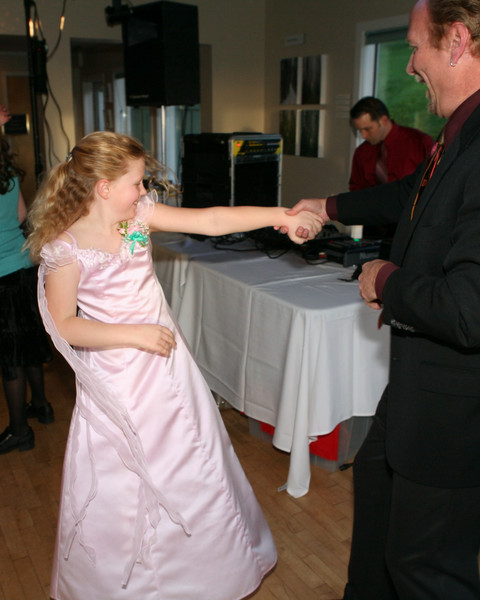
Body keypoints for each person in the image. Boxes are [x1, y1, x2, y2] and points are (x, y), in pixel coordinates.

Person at [25, 130, 322, 600]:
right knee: (126, 483)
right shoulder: (67, 248)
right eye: (137, 183)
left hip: (168, 368)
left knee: (194, 463)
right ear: (103, 187)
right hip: (120, 379)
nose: (144, 193)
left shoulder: (137, 219)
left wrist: (280, 216)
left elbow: (212, 219)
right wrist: (135, 333)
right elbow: (64, 325)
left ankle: (208, 572)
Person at [286, 1, 480, 598]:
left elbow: (468, 310)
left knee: (424, 565)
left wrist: (385, 281)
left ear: (455, 40)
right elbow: (408, 197)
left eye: (416, 47)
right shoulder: (460, 132)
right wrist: (327, 207)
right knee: (375, 491)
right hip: (417, 389)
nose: (411, 63)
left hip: (454, 411)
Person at [0, 108, 53, 455]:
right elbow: (21, 215)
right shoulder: (6, 171)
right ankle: (42, 406)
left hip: (1, 277)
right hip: (22, 267)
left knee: (10, 357)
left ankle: (20, 431)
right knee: (28, 342)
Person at [349, 96, 434, 240]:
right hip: (373, 226)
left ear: (383, 120)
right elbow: (356, 188)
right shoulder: (362, 152)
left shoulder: (418, 142)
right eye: (360, 130)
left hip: (409, 223)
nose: (363, 135)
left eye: (367, 129)